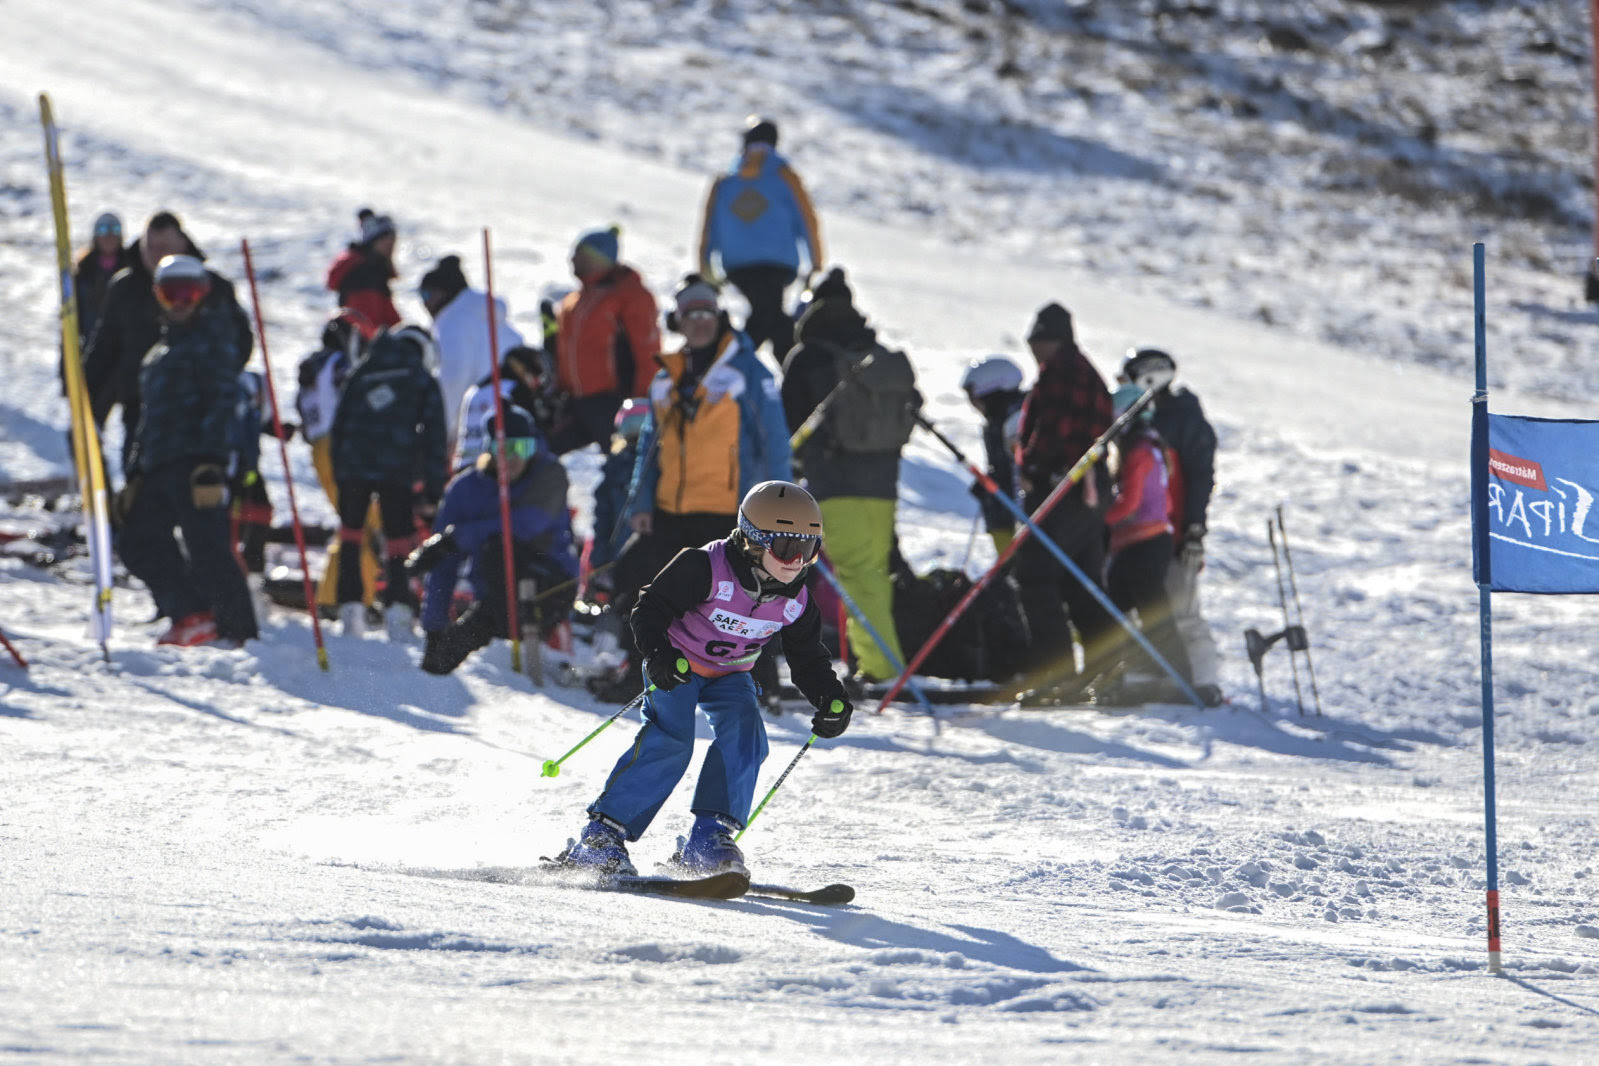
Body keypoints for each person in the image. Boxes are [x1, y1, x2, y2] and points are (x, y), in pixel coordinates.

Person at [559, 481, 852, 877]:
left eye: (808, 549)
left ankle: (709, 838)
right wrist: (660, 655)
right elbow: (648, 610)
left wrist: (830, 696)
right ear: (752, 539)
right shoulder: (705, 567)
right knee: (672, 741)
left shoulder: (796, 598)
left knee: (746, 736)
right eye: (786, 548)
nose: (796, 561)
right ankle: (601, 837)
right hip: (677, 667)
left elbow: (807, 659)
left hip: (732, 674)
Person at [779, 267, 920, 684]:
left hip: (833, 482)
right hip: (883, 483)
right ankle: (874, 660)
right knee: (871, 573)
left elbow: (788, 423)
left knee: (855, 574)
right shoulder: (874, 354)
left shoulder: (808, 357)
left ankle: (881, 667)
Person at [116, 255, 258, 648]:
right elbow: (146, 418)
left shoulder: (214, 338)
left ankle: (238, 632)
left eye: (189, 292)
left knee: (207, 546)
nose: (180, 301)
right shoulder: (158, 353)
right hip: (158, 462)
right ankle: (191, 613)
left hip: (196, 460)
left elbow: (222, 398)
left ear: (203, 294)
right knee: (136, 539)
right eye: (169, 292)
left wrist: (212, 460)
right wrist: (135, 472)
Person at [408, 405, 579, 676]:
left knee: (498, 544)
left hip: (550, 586)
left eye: (520, 448)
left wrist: (460, 537)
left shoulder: (550, 474)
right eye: (503, 448)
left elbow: (526, 525)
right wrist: (434, 627)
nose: (511, 458)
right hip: (493, 595)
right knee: (440, 658)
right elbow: (445, 563)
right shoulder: (465, 488)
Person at [84, 211, 253, 474]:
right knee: (141, 495)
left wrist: (220, 375)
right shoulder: (125, 288)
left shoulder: (213, 287)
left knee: (200, 497)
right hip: (142, 410)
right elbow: (104, 348)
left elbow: (242, 340)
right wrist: (86, 398)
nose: (155, 254)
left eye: (164, 247)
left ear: (182, 244)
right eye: (149, 247)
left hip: (203, 414)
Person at [1011, 301, 1116, 696]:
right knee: (1081, 580)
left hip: (1062, 488)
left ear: (1052, 341)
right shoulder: (1088, 371)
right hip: (1091, 488)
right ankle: (1108, 669)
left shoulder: (1060, 373)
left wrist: (1031, 467)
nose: (1033, 350)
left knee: (1035, 576)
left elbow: (1051, 432)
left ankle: (1055, 678)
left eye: (1037, 342)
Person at [329, 323, 448, 638]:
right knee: (399, 541)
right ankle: (398, 613)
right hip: (397, 466)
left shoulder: (363, 370)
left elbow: (338, 424)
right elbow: (435, 437)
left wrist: (340, 470)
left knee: (351, 537)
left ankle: (350, 612)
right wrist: (433, 490)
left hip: (353, 464)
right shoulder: (421, 378)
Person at [1120, 347, 1223, 706]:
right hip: (1145, 533)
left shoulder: (1183, 419)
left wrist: (1195, 529)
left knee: (1183, 612)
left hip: (1176, 533)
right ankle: (1152, 674)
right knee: (1148, 609)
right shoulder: (1145, 419)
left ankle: (1205, 681)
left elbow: (1199, 479)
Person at [1095, 384, 1193, 704]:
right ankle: (1126, 670)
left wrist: (1098, 516)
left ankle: (1180, 676)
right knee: (1116, 607)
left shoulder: (1139, 451)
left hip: (1145, 541)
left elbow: (1131, 504)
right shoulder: (1151, 446)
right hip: (1139, 542)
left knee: (1151, 610)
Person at [697, 116, 824, 362]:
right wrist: (816, 263)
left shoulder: (726, 181)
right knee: (771, 319)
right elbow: (807, 220)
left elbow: (708, 228)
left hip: (737, 264)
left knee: (767, 316)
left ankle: (730, 368)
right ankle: (732, 368)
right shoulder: (785, 176)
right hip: (779, 263)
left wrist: (705, 267)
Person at [547, 227, 660, 455]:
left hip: (614, 400)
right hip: (577, 400)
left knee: (624, 462)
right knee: (546, 446)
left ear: (601, 258)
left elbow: (648, 351)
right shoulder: (574, 300)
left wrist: (640, 401)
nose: (573, 260)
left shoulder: (630, 295)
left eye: (581, 254)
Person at [296, 311, 380, 611]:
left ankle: (338, 595)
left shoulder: (310, 368)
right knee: (363, 524)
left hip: (319, 448)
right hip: (343, 447)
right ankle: (347, 598)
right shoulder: (338, 364)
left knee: (351, 523)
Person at [418, 254, 526, 453]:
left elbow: (453, 378)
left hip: (480, 415)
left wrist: (443, 431)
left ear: (444, 292)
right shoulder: (492, 318)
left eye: (426, 295)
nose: (424, 304)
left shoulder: (451, 320)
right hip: (516, 408)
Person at [959, 355, 1028, 556]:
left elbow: (1018, 468)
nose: (975, 405)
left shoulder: (1016, 420)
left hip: (1017, 512)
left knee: (1019, 564)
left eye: (976, 398)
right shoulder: (995, 423)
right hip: (1002, 513)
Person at [451, 345, 557, 472]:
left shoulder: (475, 390)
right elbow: (533, 433)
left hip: (465, 465)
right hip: (496, 467)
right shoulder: (515, 390)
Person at [325, 208, 401, 336]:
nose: (391, 245)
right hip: (363, 348)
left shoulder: (376, 270)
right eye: (385, 239)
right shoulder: (365, 272)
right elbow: (366, 320)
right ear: (374, 241)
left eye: (393, 240)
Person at [73, 211, 137, 351]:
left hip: (123, 348)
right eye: (103, 230)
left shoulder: (133, 269)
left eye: (115, 230)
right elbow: (73, 317)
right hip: (90, 345)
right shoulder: (82, 272)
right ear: (95, 236)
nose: (109, 236)